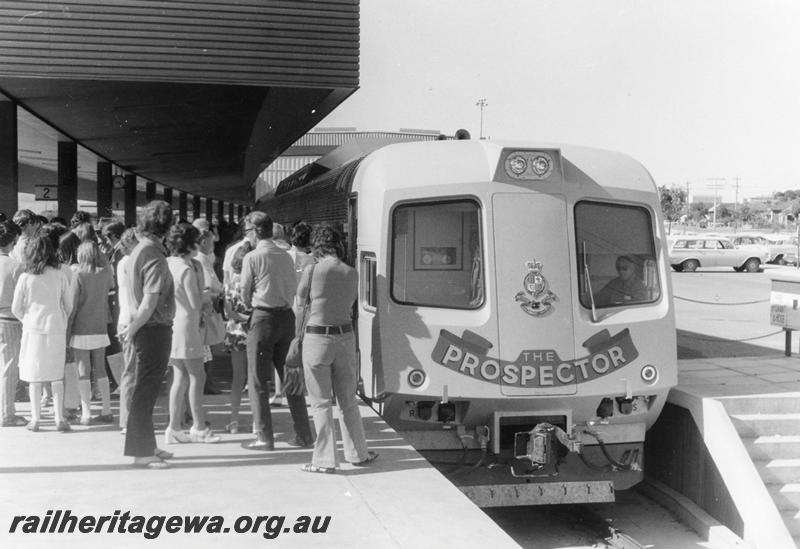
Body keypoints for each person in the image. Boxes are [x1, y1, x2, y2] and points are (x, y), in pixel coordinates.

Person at [298, 224, 377, 473]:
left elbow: (300, 306)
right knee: (348, 401)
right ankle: (358, 454)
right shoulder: (352, 272)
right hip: (344, 338)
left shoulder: (312, 270)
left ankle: (323, 461)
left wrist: (296, 337)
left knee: (320, 402)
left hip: (317, 339)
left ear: (316, 247)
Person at [240, 211, 313, 450]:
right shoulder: (285, 257)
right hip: (287, 319)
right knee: (292, 378)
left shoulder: (252, 257)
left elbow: (244, 292)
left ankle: (264, 437)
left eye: (247, 231)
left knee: (258, 380)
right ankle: (304, 434)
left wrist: (249, 304)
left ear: (254, 231)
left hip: (262, 319)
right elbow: (294, 287)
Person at [118, 200, 176, 469]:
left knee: (146, 390)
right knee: (146, 391)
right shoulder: (153, 253)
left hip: (145, 328)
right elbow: (150, 300)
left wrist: (131, 327)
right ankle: (141, 452)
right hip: (152, 329)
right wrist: (134, 328)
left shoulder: (139, 250)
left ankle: (147, 445)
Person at [163, 223, 220, 444]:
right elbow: (196, 302)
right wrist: (209, 295)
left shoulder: (169, 264)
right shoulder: (186, 269)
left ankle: (174, 427)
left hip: (175, 324)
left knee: (179, 377)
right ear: (189, 244)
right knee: (198, 376)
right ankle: (198, 426)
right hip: (189, 325)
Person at [12, 234, 74, 432]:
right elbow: (69, 305)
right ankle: (59, 419)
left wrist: (27, 320)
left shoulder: (25, 277)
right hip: (55, 327)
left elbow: (16, 308)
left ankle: (36, 419)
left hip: (33, 329)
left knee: (34, 375)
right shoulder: (60, 275)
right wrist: (61, 319)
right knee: (56, 375)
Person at [69, 241, 115, 426]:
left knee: (83, 370)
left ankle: (86, 413)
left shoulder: (78, 274)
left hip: (81, 326)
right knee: (101, 369)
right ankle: (107, 409)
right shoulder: (105, 273)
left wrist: (68, 329)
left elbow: (73, 305)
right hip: (100, 325)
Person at [222, 242, 252, 434]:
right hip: (253, 332)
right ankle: (258, 422)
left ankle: (234, 421)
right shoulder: (256, 282)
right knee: (256, 380)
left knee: (237, 379)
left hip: (235, 333)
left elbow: (228, 313)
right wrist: (251, 318)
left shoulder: (230, 284)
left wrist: (241, 317)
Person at [0, 221, 24, 427]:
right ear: (14, 241)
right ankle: (7, 413)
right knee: (9, 368)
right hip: (9, 320)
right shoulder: (16, 266)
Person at [116, 228, 138, 434]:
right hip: (132, 320)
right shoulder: (129, 263)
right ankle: (127, 418)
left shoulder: (123, 262)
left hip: (127, 319)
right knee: (131, 372)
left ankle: (129, 417)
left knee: (131, 371)